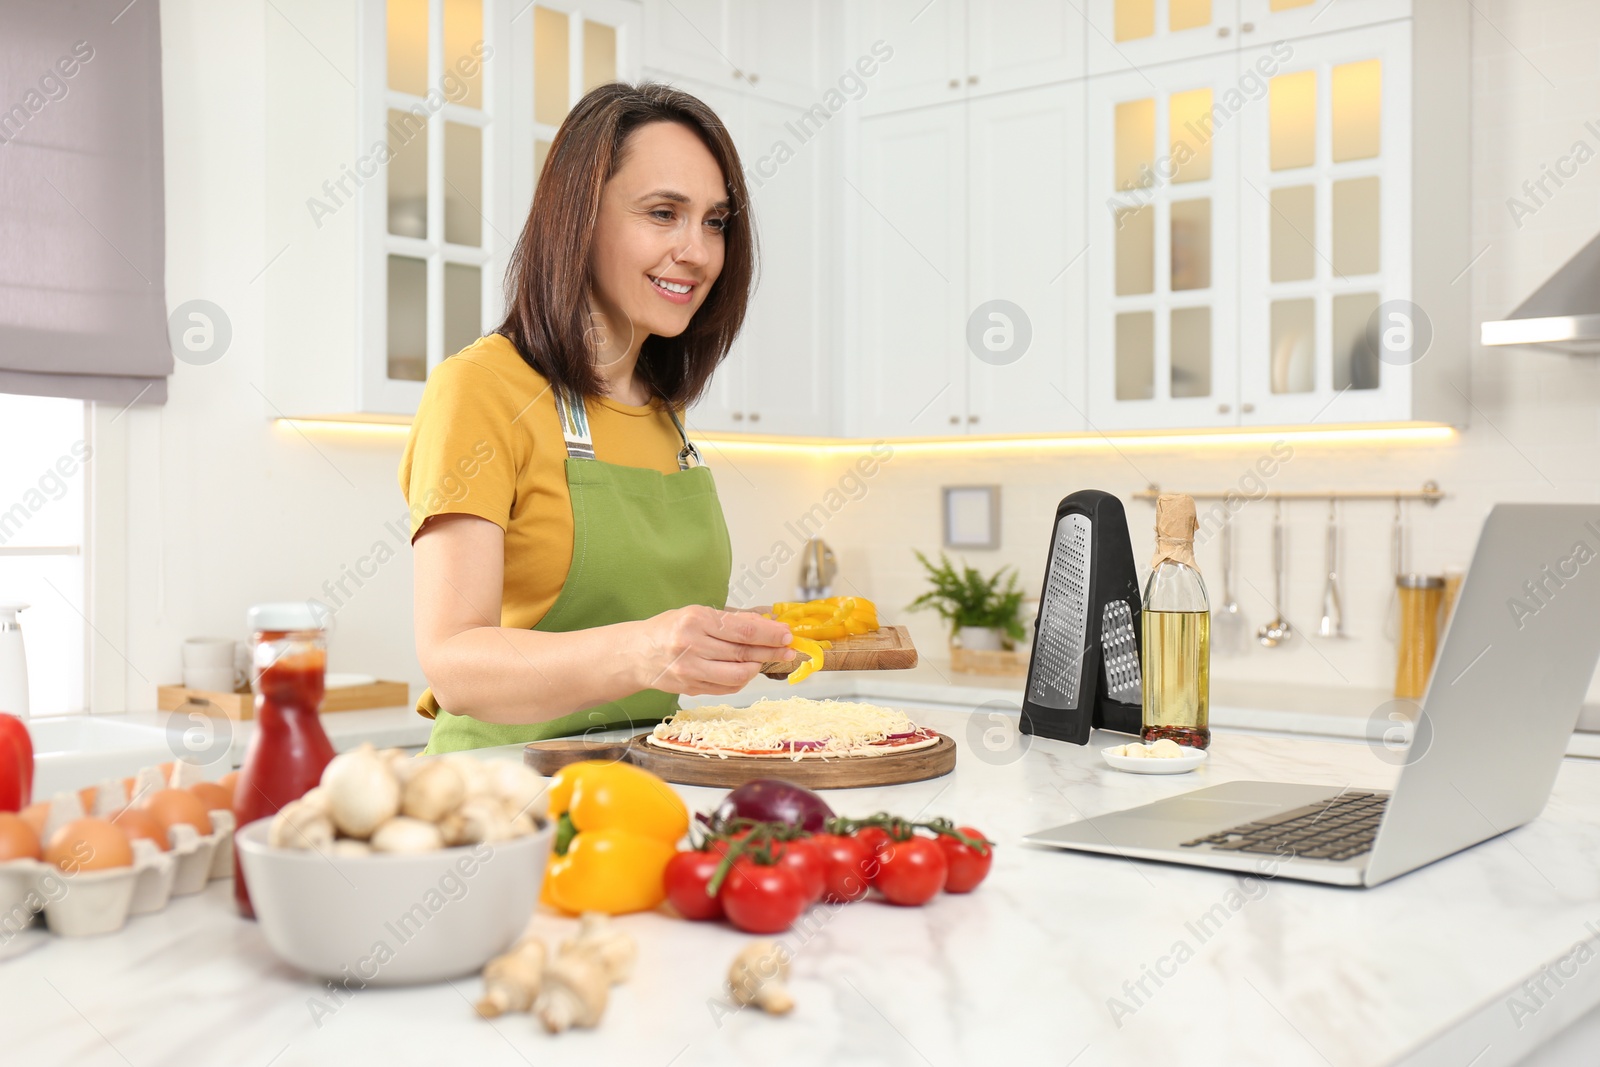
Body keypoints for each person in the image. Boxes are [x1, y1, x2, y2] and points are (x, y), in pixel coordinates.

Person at [399, 83, 794, 753]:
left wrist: (730, 639)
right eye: (663, 212)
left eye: (715, 221)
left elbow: (649, 629)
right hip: (503, 797)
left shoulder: (664, 411)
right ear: (578, 218)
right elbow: (453, 662)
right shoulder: (481, 389)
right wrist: (646, 651)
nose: (696, 250)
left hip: (645, 789)